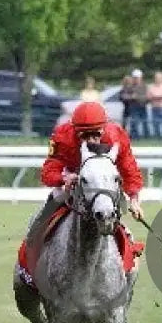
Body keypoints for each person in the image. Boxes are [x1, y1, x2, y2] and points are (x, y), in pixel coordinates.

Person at [29, 101, 143, 245]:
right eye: (84, 136)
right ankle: (33, 244)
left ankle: (128, 249)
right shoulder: (62, 136)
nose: (91, 141)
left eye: (96, 135)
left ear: (103, 129)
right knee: (53, 202)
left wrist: (134, 199)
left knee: (112, 207)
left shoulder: (116, 136)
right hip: (72, 179)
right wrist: (64, 178)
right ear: (75, 130)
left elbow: (129, 170)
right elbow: (48, 172)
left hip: (103, 182)